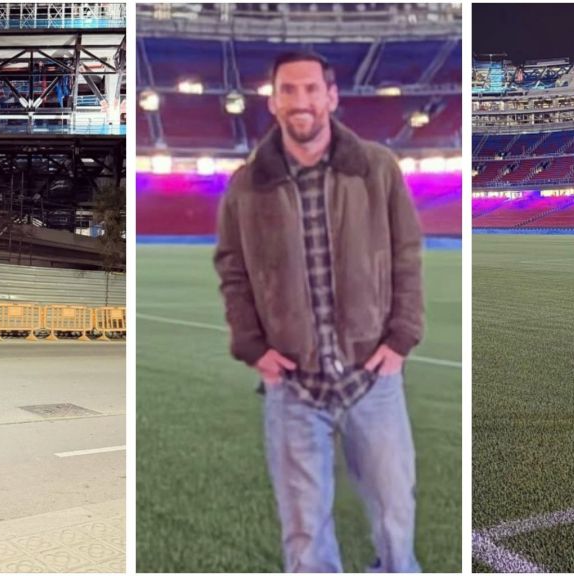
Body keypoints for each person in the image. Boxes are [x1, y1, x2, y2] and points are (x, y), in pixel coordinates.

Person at [213, 51, 425, 572]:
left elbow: (406, 254)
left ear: (331, 96)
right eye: (288, 90)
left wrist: (401, 337)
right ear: (273, 101)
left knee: (395, 516)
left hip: (371, 376)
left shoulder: (375, 167)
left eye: (311, 88)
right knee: (304, 531)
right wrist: (251, 346)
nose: (300, 100)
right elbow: (233, 270)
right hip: (294, 385)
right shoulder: (247, 184)